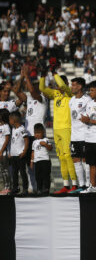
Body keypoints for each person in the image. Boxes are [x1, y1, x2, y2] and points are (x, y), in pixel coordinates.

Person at [39, 66, 78, 194]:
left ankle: (75, 184)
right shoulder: (55, 93)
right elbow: (42, 89)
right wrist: (43, 75)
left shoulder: (69, 93)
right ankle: (66, 185)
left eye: (59, 83)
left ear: (66, 84)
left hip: (67, 128)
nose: (57, 86)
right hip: (56, 129)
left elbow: (62, 85)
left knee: (68, 156)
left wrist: (54, 72)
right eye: (56, 84)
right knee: (61, 157)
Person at [14, 65, 47, 193]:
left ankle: (42, 188)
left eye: (34, 86)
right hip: (28, 135)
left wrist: (27, 75)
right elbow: (16, 90)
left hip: (38, 135)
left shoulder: (42, 99)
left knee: (39, 163)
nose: (30, 87)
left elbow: (32, 91)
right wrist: (22, 76)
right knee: (29, 164)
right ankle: (31, 188)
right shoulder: (29, 99)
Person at [69, 77, 91, 193]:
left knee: (86, 160)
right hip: (74, 136)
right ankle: (81, 185)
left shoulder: (87, 100)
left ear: (80, 86)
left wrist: (86, 119)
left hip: (84, 135)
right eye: (71, 85)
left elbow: (89, 116)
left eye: (74, 85)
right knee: (76, 159)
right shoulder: (71, 100)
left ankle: (88, 185)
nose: (71, 87)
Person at [9, 111, 29, 195]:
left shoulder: (22, 129)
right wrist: (10, 152)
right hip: (13, 155)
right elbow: (13, 142)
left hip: (20, 154)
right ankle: (15, 187)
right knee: (14, 172)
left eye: (10, 119)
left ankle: (25, 188)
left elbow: (26, 140)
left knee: (22, 172)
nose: (9, 121)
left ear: (13, 120)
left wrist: (24, 151)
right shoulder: (13, 129)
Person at [30, 123, 52, 195]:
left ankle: (46, 188)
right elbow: (33, 152)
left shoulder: (46, 139)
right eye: (35, 133)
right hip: (37, 161)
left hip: (45, 160)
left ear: (43, 132)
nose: (37, 134)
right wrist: (31, 161)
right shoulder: (34, 142)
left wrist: (45, 144)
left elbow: (50, 148)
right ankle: (39, 189)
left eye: (39, 133)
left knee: (46, 175)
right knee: (38, 176)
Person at [0, 109, 10, 195]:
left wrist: (1, 151)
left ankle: (8, 187)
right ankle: (5, 187)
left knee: (5, 170)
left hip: (3, 152)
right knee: (2, 170)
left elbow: (7, 139)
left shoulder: (6, 126)